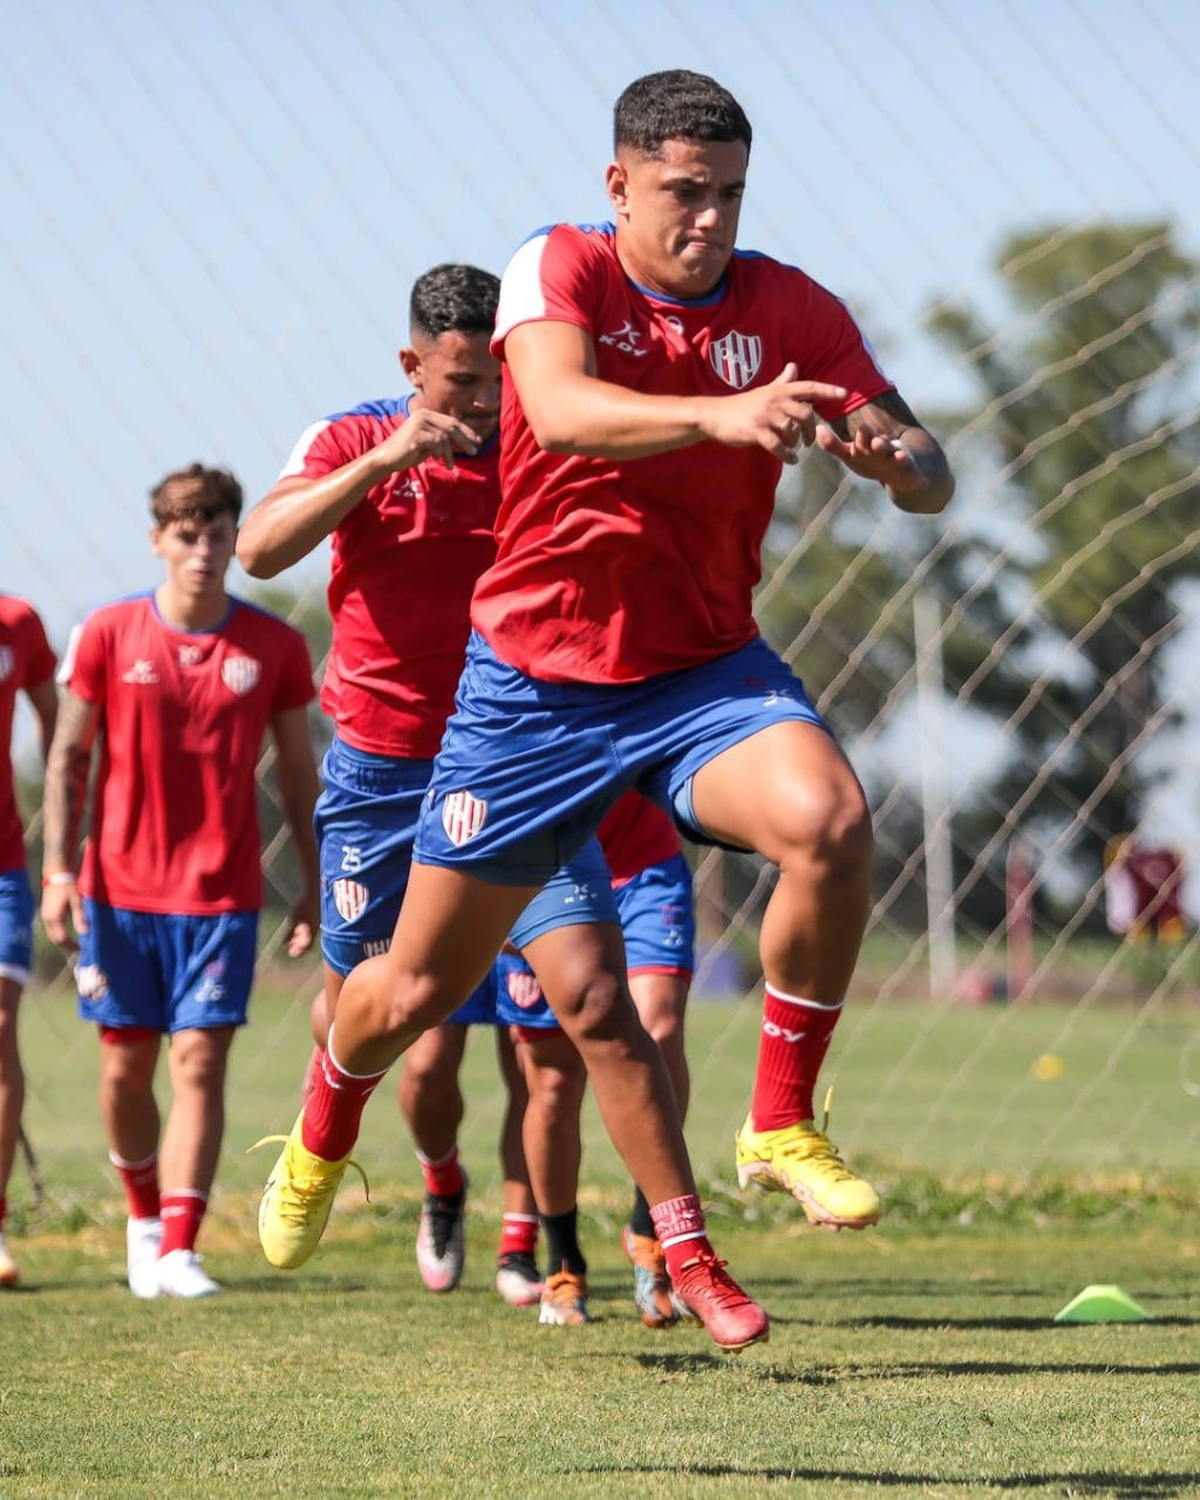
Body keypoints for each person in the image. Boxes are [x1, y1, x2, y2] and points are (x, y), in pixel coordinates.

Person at [248, 257, 770, 1350]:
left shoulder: (546, 443)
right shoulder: (350, 438)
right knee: (383, 1022)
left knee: (596, 1001)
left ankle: (687, 1249)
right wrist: (393, 454)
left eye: (496, 380)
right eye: (456, 386)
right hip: (382, 778)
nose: (484, 407)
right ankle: (346, 1142)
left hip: (512, 763)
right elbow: (259, 550)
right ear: (410, 369)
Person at [41, 464, 320, 1299]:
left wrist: (309, 881)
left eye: (219, 534)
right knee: (126, 1069)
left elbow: (302, 780)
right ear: (158, 541)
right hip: (118, 894)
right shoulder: (107, 633)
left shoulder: (272, 646)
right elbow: (67, 759)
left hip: (222, 895)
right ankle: (143, 1222)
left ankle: (181, 1249)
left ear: (238, 538)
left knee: (199, 1062)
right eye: (186, 535)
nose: (203, 551)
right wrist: (60, 873)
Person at [497, 787, 696, 1328]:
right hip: (540, 871)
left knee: (658, 1032)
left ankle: (651, 1234)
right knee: (554, 1081)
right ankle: (563, 1267)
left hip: (643, 867)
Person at [0, 594, 58, 1287]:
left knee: (2, 1028)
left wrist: (66, 830)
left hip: (5, 861)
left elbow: (58, 727)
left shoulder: (19, 622)